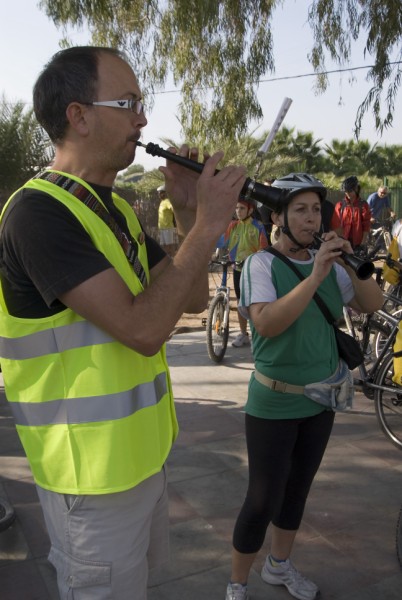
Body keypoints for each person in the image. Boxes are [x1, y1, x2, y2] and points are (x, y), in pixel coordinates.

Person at [0, 46, 247, 600]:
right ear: (79, 116)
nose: (143, 119)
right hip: (90, 478)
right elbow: (142, 330)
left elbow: (190, 301)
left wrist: (189, 213)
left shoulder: (110, 209)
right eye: (129, 103)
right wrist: (210, 225)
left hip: (140, 463)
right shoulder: (38, 214)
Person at [225, 173, 383, 600]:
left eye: (316, 209)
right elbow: (266, 323)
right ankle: (237, 583)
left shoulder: (327, 262)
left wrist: (350, 263)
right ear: (278, 217)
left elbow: (371, 303)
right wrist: (315, 276)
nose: (312, 218)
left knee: (296, 490)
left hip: (320, 400)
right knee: (262, 498)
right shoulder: (261, 264)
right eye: (300, 210)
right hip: (274, 401)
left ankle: (279, 565)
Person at [219, 198, 268, 347]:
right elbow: (221, 242)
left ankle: (256, 335)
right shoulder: (232, 226)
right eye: (236, 208)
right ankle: (243, 333)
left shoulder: (258, 226)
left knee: (253, 303)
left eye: (241, 208)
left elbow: (264, 248)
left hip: (253, 271)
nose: (238, 211)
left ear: (250, 210)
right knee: (240, 301)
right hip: (237, 269)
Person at [330, 175, 372, 252]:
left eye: (350, 191)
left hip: (358, 244)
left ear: (356, 189)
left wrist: (363, 244)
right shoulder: (340, 205)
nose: (347, 194)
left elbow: (366, 225)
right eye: (346, 192)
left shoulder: (363, 205)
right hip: (342, 243)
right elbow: (335, 225)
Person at [157, 183, 177, 256]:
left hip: (168, 228)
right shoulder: (162, 202)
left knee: (170, 246)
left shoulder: (167, 201)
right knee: (165, 247)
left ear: (165, 193)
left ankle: (173, 260)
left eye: (161, 193)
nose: (159, 195)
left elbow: (173, 209)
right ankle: (168, 260)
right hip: (162, 228)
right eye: (159, 193)